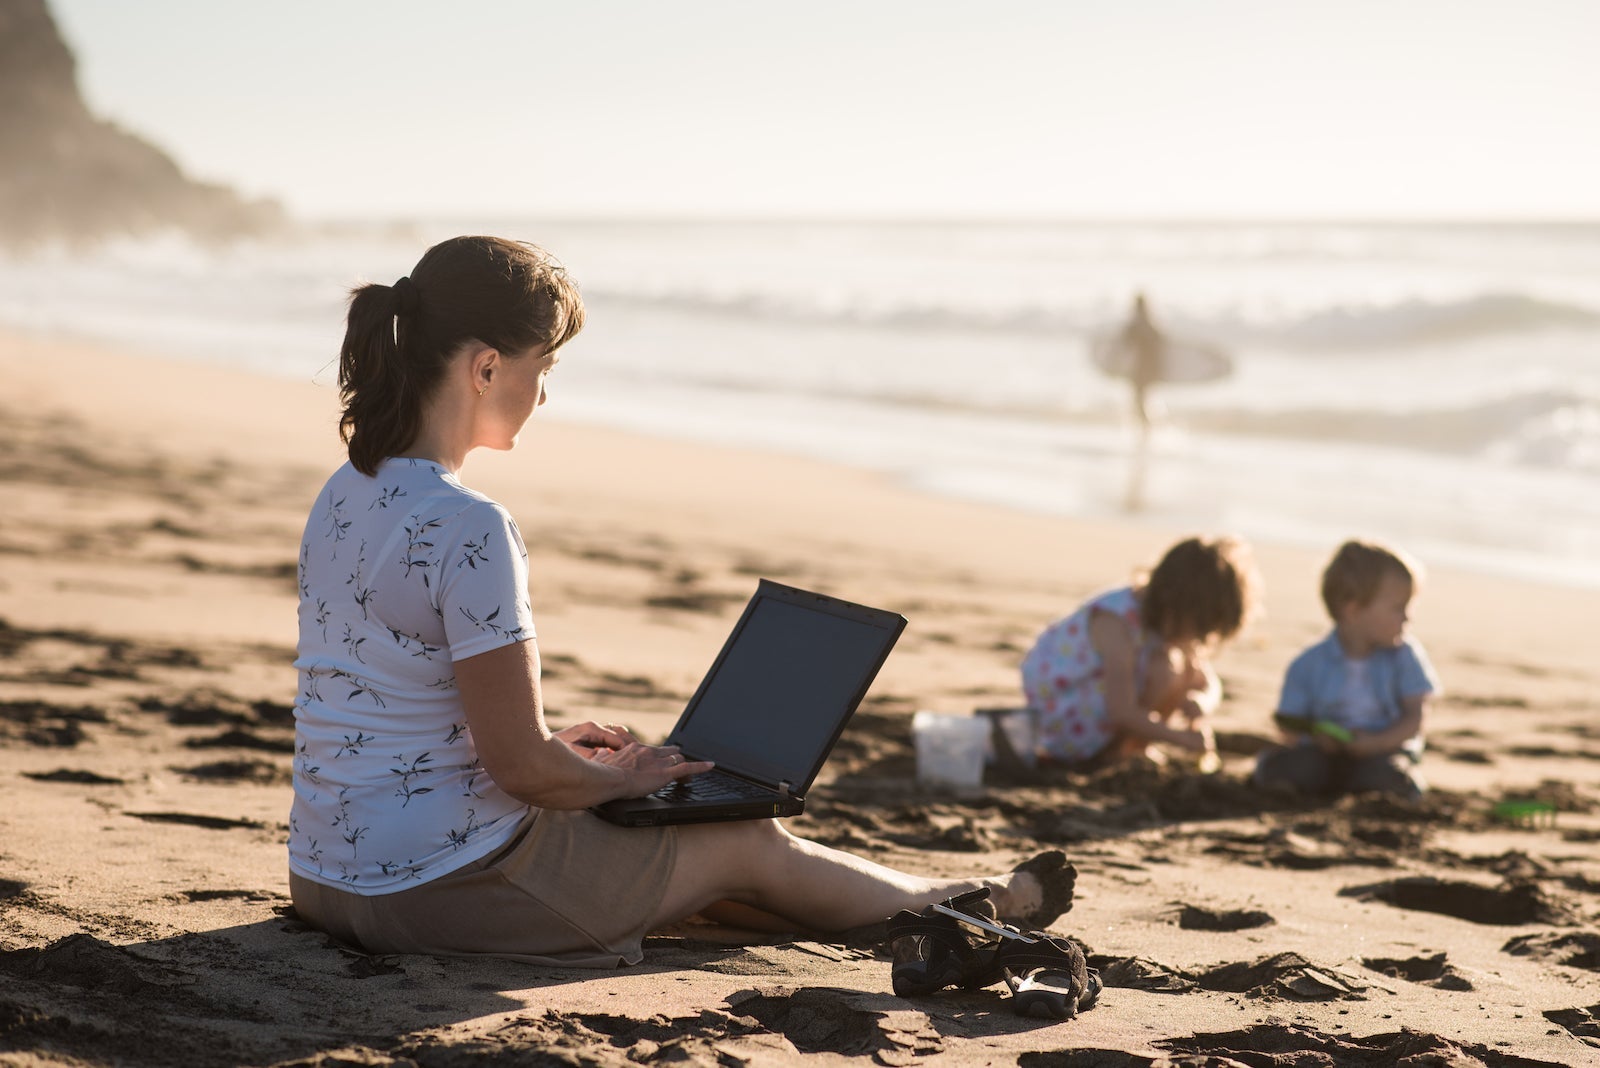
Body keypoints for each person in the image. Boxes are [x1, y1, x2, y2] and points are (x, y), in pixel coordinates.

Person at [287, 235, 1077, 966]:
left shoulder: (344, 493)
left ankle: (937, 909)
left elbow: (387, 697)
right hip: (432, 890)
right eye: (544, 368)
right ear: (487, 369)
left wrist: (571, 761)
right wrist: (622, 781)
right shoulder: (472, 527)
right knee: (744, 842)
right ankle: (977, 907)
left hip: (325, 876)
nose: (545, 394)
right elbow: (523, 770)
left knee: (689, 847)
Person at [1018, 535, 1259, 768]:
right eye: (1196, 627)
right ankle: (1113, 753)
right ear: (1175, 602)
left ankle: (1132, 747)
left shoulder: (1167, 625)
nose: (1195, 638)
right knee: (1164, 669)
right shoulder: (1117, 622)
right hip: (1065, 719)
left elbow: (1208, 683)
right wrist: (1179, 738)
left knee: (1180, 668)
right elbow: (1121, 711)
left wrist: (1201, 702)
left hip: (1104, 708)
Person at [1252, 540, 1440, 801]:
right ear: (1353, 610)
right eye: (1399, 608)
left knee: (1389, 777)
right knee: (1296, 768)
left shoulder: (1405, 656)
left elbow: (1415, 718)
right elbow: (1287, 722)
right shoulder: (1308, 664)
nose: (1408, 618)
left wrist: (1376, 743)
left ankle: (1380, 788)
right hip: (1323, 755)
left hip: (1381, 754)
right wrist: (1317, 736)